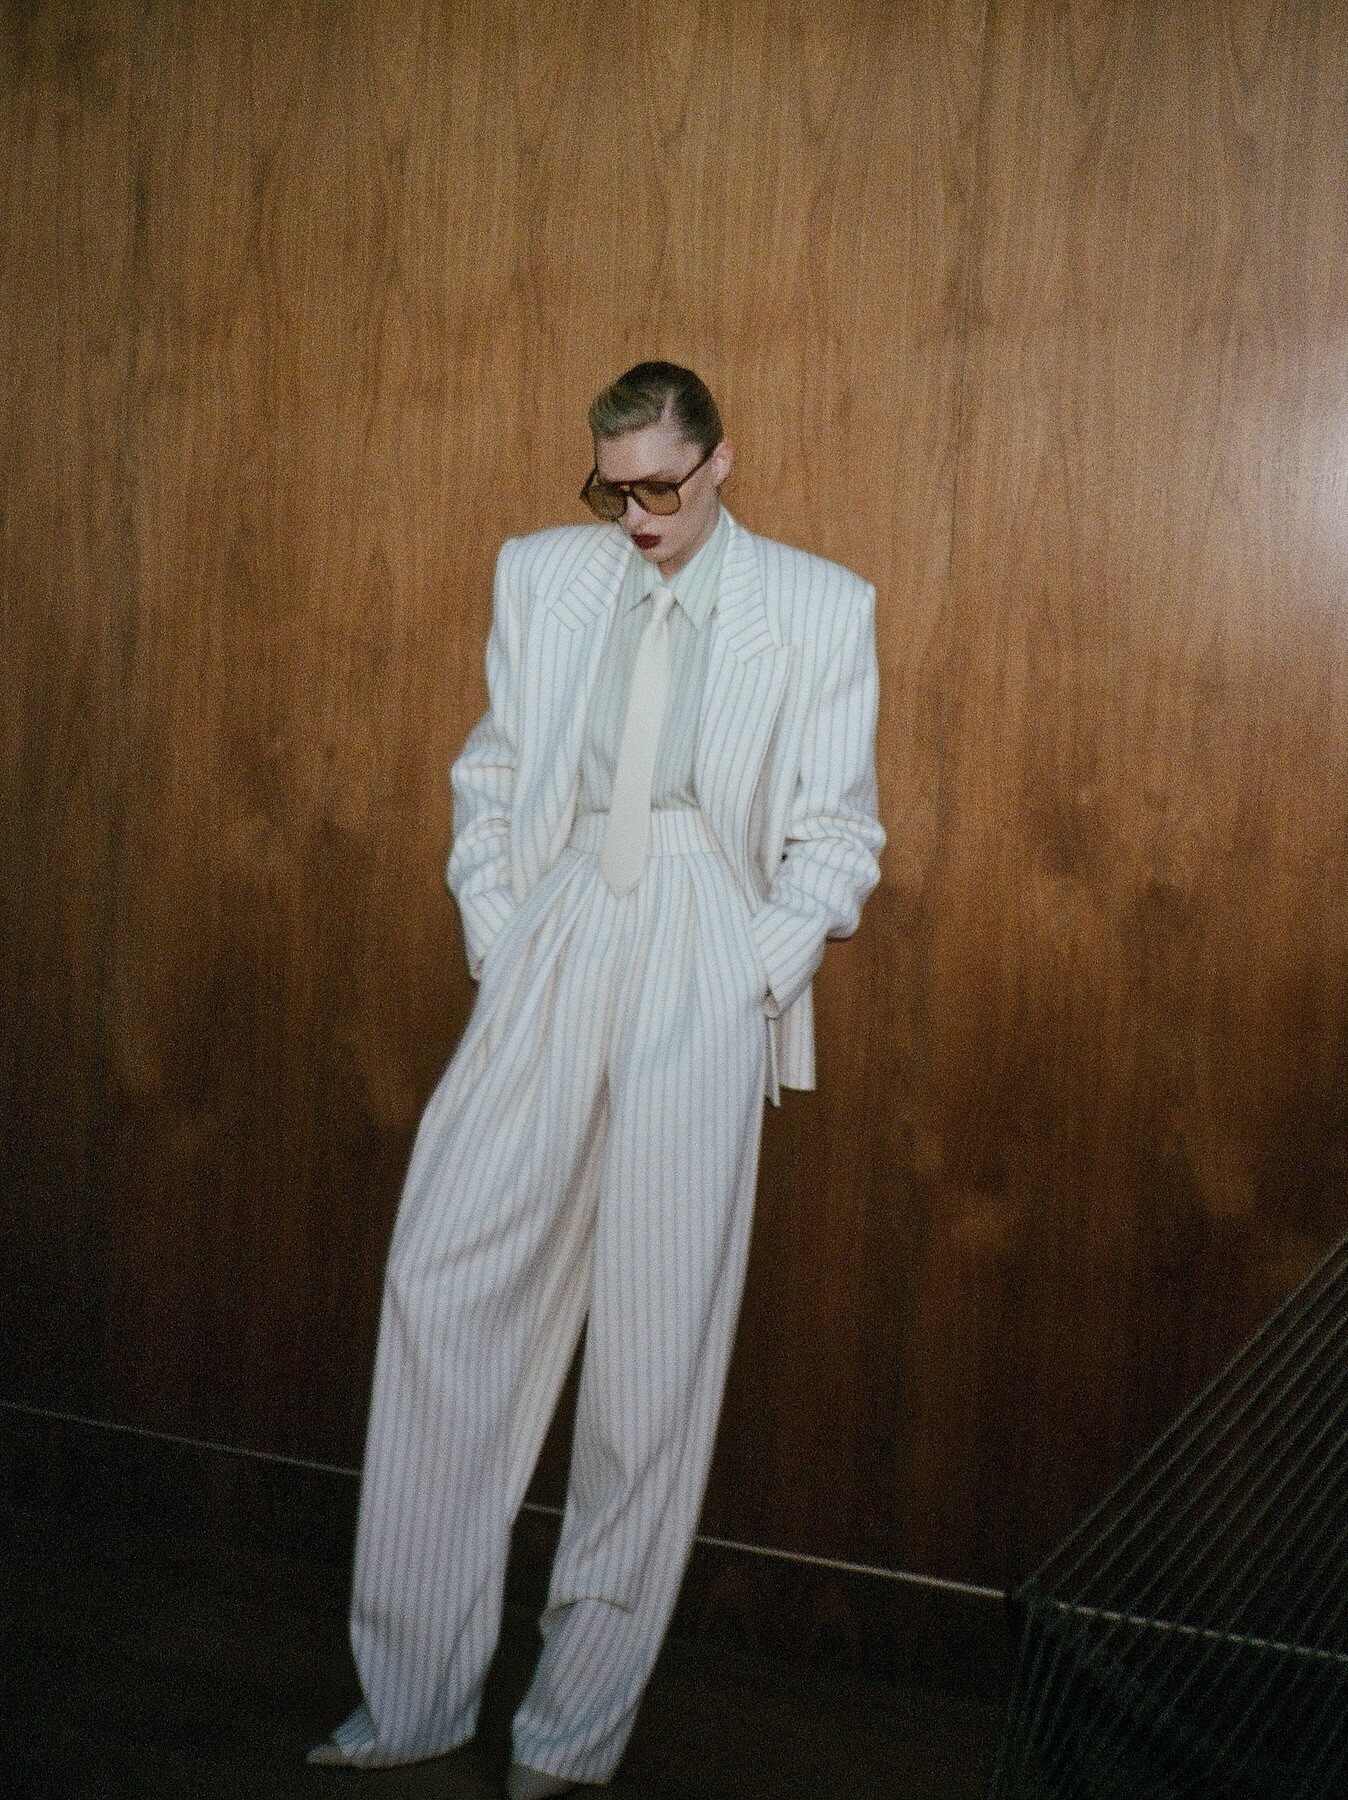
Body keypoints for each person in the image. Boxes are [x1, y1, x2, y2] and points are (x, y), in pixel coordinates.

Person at [310, 362, 884, 1797]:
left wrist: (750, 975)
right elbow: (494, 774)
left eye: (660, 487)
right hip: (560, 925)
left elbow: (838, 837)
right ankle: (413, 1699)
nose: (634, 516)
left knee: (652, 1355)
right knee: (445, 1281)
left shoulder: (821, 606)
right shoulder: (542, 575)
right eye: (610, 488)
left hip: (706, 937)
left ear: (720, 460)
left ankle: (567, 1737)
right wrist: (505, 940)